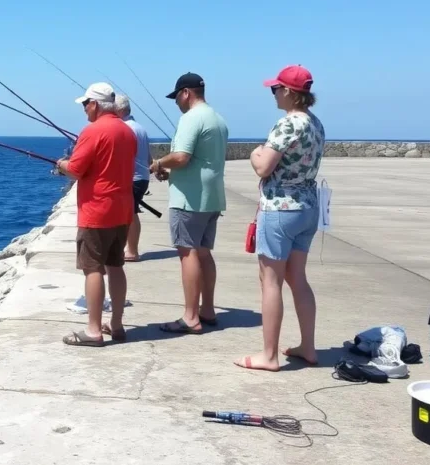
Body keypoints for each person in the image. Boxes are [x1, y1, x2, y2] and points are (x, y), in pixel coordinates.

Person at [235, 65, 325, 371]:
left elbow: (264, 167)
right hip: (307, 207)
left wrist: (254, 153)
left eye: (275, 89)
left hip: (280, 209)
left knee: (270, 280)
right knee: (297, 278)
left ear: (288, 92)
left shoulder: (287, 125)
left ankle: (269, 355)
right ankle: (308, 347)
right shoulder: (316, 124)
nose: (273, 94)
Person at [56, 82, 136, 346]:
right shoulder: (127, 131)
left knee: (92, 269)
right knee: (116, 266)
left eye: (85, 104)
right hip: (122, 209)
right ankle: (117, 324)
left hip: (97, 211)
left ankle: (93, 331)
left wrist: (61, 164)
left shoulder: (92, 131)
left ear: (95, 104)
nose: (84, 109)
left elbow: (76, 169)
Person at [149, 73, 228, 334]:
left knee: (187, 252)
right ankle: (208, 309)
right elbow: (200, 161)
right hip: (212, 196)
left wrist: (159, 163)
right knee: (204, 252)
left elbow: (182, 156)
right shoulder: (218, 119)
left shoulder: (190, 118)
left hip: (189, 199)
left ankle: (190, 316)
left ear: (186, 93)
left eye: (176, 97)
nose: (176, 103)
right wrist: (171, 174)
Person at [115, 94, 152, 262]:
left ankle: (132, 251)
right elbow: (149, 157)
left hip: (133, 178)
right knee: (130, 212)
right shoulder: (140, 127)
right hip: (142, 177)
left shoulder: (125, 129)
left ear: (121, 110)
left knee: (130, 214)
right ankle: (130, 249)